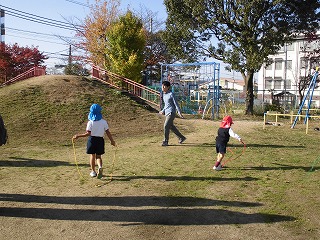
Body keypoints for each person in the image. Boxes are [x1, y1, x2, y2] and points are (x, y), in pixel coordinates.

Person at [73, 104, 116, 178]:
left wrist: (78, 136)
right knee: (98, 156)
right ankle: (100, 167)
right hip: (100, 140)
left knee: (92, 155)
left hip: (92, 140)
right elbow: (108, 132)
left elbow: (88, 133)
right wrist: (112, 141)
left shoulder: (90, 122)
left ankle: (93, 171)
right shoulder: (103, 122)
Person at [159, 80, 186, 146]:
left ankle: (165, 141)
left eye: (164, 86)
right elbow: (166, 105)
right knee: (171, 126)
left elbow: (176, 104)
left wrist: (179, 112)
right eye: (162, 86)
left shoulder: (171, 94)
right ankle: (181, 137)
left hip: (171, 112)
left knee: (166, 126)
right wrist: (163, 111)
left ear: (168, 87)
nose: (162, 87)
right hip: (167, 113)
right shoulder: (164, 94)